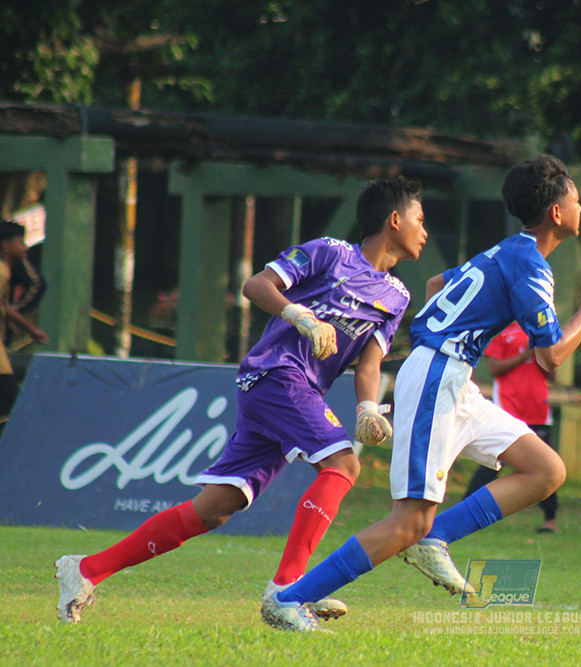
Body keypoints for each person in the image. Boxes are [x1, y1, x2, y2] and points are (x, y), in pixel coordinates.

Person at [261, 154, 581, 632]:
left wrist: (462, 332)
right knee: (407, 520)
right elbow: (551, 357)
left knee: (545, 469)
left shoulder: (507, 250)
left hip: (453, 376)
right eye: (576, 200)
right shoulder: (531, 264)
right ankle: (289, 600)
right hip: (439, 376)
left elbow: (436, 284)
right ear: (557, 213)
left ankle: (435, 539)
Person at [54, 176, 427, 623]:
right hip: (275, 373)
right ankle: (288, 591)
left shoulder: (398, 295)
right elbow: (256, 286)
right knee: (344, 465)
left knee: (215, 509)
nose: (424, 231)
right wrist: (301, 316)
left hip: (295, 392)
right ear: (394, 219)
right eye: (420, 219)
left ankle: (86, 570)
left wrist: (367, 408)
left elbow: (369, 364)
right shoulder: (330, 252)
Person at [463, 321, 559, 533]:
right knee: (491, 464)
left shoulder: (539, 330)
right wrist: (523, 355)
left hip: (537, 409)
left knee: (546, 463)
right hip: (508, 407)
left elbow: (552, 372)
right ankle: (465, 510)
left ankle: (550, 519)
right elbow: (494, 368)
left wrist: (543, 352)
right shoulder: (502, 328)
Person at [0, 221, 48, 424]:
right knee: (11, 402)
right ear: (6, 246)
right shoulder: (1, 273)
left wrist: (31, 329)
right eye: (21, 241)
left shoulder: (5, 271)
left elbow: (5, 308)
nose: (26, 247)